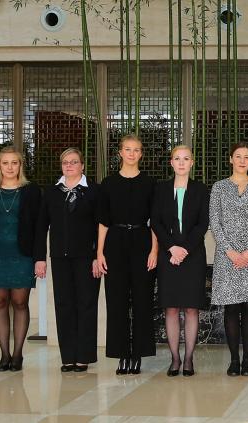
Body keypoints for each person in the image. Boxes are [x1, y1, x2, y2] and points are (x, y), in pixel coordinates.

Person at [34, 147, 102, 373]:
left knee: (86, 305)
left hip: (87, 258)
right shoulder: (52, 192)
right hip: (60, 257)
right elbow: (41, 226)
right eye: (66, 162)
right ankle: (68, 357)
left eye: (74, 162)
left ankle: (83, 356)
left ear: (82, 165)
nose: (70, 166)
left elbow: (100, 227)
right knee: (64, 306)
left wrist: (97, 256)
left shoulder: (93, 191)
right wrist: (40, 258)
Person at [96, 134, 159, 375]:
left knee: (143, 300)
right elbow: (103, 221)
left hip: (142, 242)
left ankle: (139, 354)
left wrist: (154, 250)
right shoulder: (108, 184)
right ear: (120, 152)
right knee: (117, 300)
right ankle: (121, 354)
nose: (132, 154)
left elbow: (155, 221)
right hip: (115, 243)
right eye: (128, 149)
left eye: (136, 150)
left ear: (141, 154)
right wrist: (100, 253)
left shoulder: (150, 183)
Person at [0, 146, 41, 372]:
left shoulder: (31, 192)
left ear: (20, 166)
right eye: (6, 163)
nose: (10, 167)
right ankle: (4, 355)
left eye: (15, 163)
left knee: (20, 303)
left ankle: (18, 354)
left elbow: (38, 228)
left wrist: (39, 258)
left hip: (22, 255)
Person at [210, 143, 248, 377]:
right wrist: (231, 251)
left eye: (247, 157)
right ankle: (234, 360)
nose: (242, 160)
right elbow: (215, 222)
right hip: (227, 257)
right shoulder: (219, 188)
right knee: (231, 308)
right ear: (230, 159)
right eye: (238, 156)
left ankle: (247, 360)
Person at [152, 146, 209, 377]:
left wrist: (184, 249)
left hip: (193, 255)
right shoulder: (161, 189)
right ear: (171, 163)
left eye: (186, 158)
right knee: (172, 308)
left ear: (192, 163)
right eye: (177, 158)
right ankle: (175, 358)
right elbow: (155, 221)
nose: (182, 162)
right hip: (168, 255)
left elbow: (202, 223)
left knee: (192, 308)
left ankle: (188, 358)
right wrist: (171, 247)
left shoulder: (201, 189)